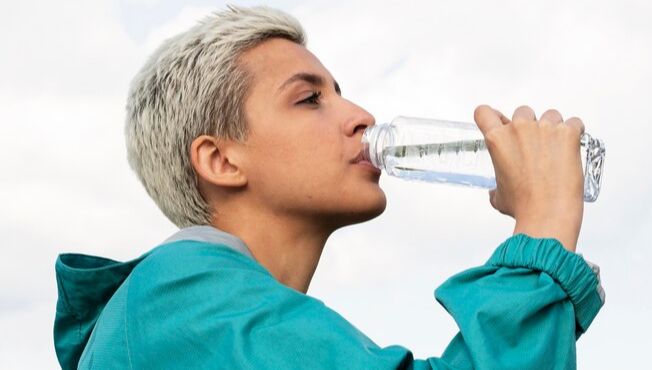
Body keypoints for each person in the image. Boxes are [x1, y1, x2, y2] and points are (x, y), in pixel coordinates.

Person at [53, 5, 605, 369]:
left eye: (340, 93)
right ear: (220, 159)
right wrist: (543, 233)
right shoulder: (181, 301)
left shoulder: (192, 315)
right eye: (308, 99)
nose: (362, 115)